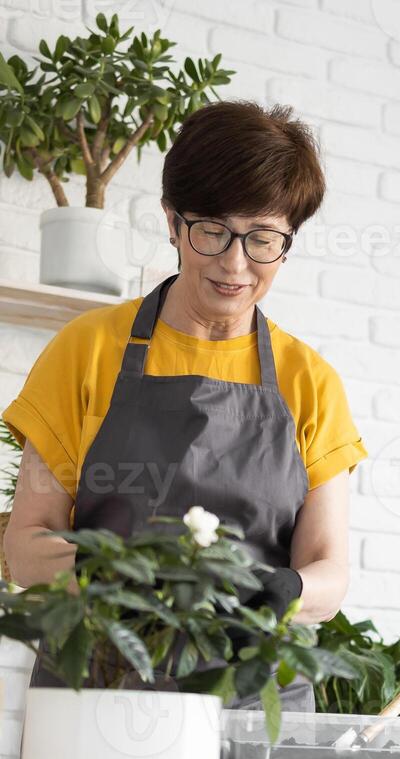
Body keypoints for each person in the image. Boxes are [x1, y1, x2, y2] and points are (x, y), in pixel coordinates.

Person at [1, 99, 368, 711]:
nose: (234, 262)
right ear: (172, 223)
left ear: (288, 242)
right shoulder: (86, 351)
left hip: (251, 702)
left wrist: (285, 590)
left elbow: (328, 569)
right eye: (212, 230)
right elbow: (27, 542)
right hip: (98, 692)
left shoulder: (311, 381)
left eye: (263, 238)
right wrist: (118, 585)